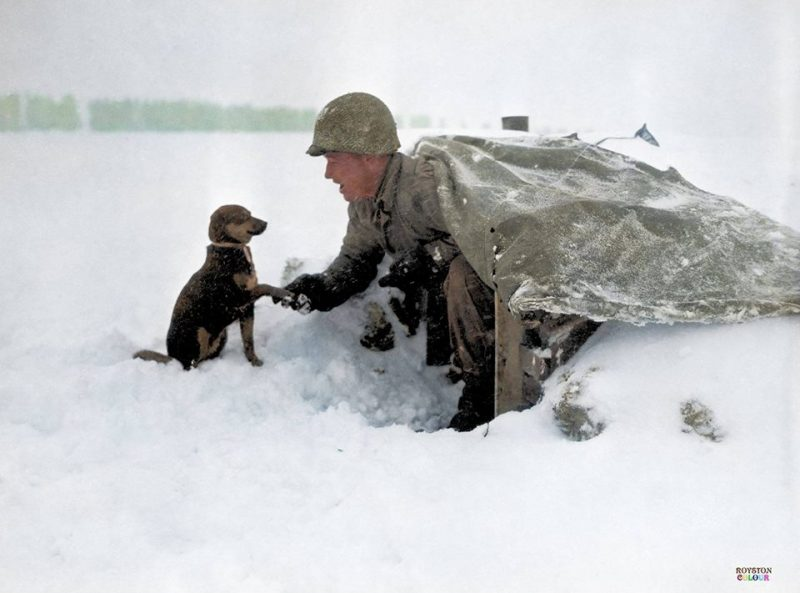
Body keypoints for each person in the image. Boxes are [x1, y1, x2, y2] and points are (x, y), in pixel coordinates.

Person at [282, 91, 496, 431]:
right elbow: (358, 258)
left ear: (369, 157)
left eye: (334, 160)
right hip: (446, 313)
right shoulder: (366, 203)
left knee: (462, 273)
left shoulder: (425, 187)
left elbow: (485, 238)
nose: (327, 174)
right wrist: (324, 287)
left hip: (491, 298)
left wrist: (429, 258)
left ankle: (485, 399)